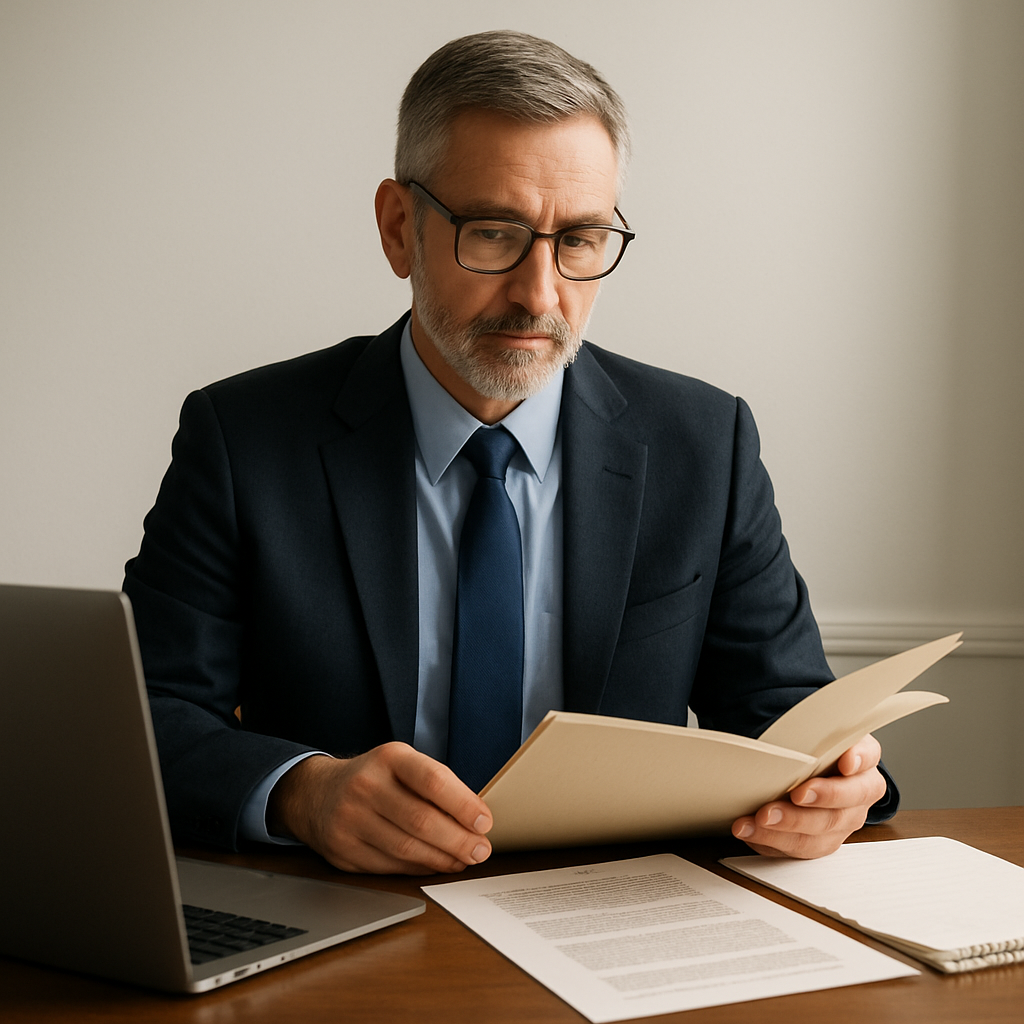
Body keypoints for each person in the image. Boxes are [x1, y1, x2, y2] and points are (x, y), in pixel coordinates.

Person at [124, 30, 893, 876]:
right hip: (345, 917)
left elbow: (787, 718)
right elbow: (142, 714)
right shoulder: (243, 440)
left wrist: (838, 788)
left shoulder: (705, 444)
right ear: (397, 229)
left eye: (581, 239)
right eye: (494, 233)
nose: (540, 293)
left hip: (620, 923)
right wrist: (301, 793)